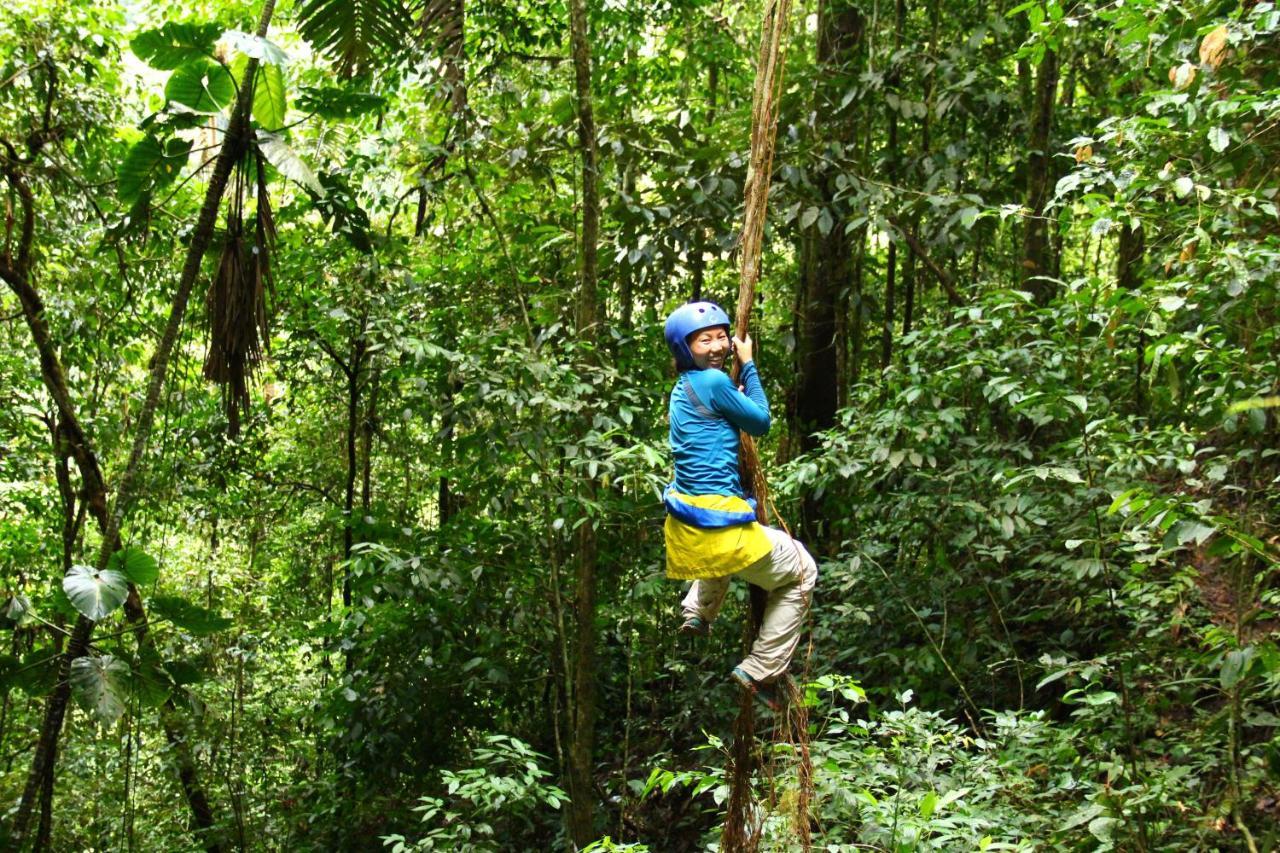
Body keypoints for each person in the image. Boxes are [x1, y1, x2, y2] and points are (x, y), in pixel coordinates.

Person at [662, 301, 818, 710]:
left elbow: (719, 420)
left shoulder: (685, 389)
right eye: (703, 340)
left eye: (720, 336)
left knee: (721, 555)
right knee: (803, 571)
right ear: (684, 348)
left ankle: (698, 611)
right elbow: (761, 421)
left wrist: (734, 397)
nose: (716, 346)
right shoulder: (715, 383)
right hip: (722, 530)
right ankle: (761, 667)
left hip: (688, 529)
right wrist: (747, 364)